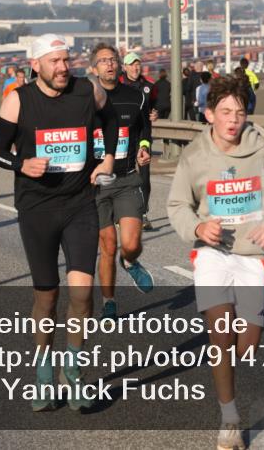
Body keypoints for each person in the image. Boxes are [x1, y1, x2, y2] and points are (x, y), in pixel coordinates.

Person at [167, 76, 264, 450]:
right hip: (211, 253)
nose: (232, 120)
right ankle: (230, 420)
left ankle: (229, 368)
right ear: (209, 114)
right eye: (225, 112)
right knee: (220, 331)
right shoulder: (194, 155)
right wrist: (197, 226)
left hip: (252, 255)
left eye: (239, 113)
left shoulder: (262, 148)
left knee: (248, 343)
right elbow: (177, 205)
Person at [0, 34, 117, 412]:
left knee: (82, 295)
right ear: (36, 65)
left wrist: (107, 158)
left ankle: (72, 371)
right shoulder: (19, 99)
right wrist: (20, 164)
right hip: (37, 209)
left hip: (80, 204)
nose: (63, 68)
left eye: (66, 60)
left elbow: (112, 120)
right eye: (55, 62)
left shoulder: (86, 91)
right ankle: (44, 368)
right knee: (47, 296)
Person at [89, 43, 154, 322]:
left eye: (113, 59)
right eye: (103, 61)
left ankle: (129, 261)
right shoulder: (85, 99)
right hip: (96, 184)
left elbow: (144, 127)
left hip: (127, 178)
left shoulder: (136, 96)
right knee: (107, 245)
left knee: (131, 243)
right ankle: (109, 301)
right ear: (94, 68)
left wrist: (143, 145)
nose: (110, 64)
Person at [120, 53, 157, 231]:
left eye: (138, 65)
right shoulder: (118, 85)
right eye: (131, 65)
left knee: (144, 175)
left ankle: (142, 213)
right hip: (123, 136)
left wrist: (156, 113)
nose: (135, 68)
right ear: (125, 67)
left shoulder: (149, 86)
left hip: (143, 135)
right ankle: (121, 212)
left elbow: (156, 107)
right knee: (121, 173)